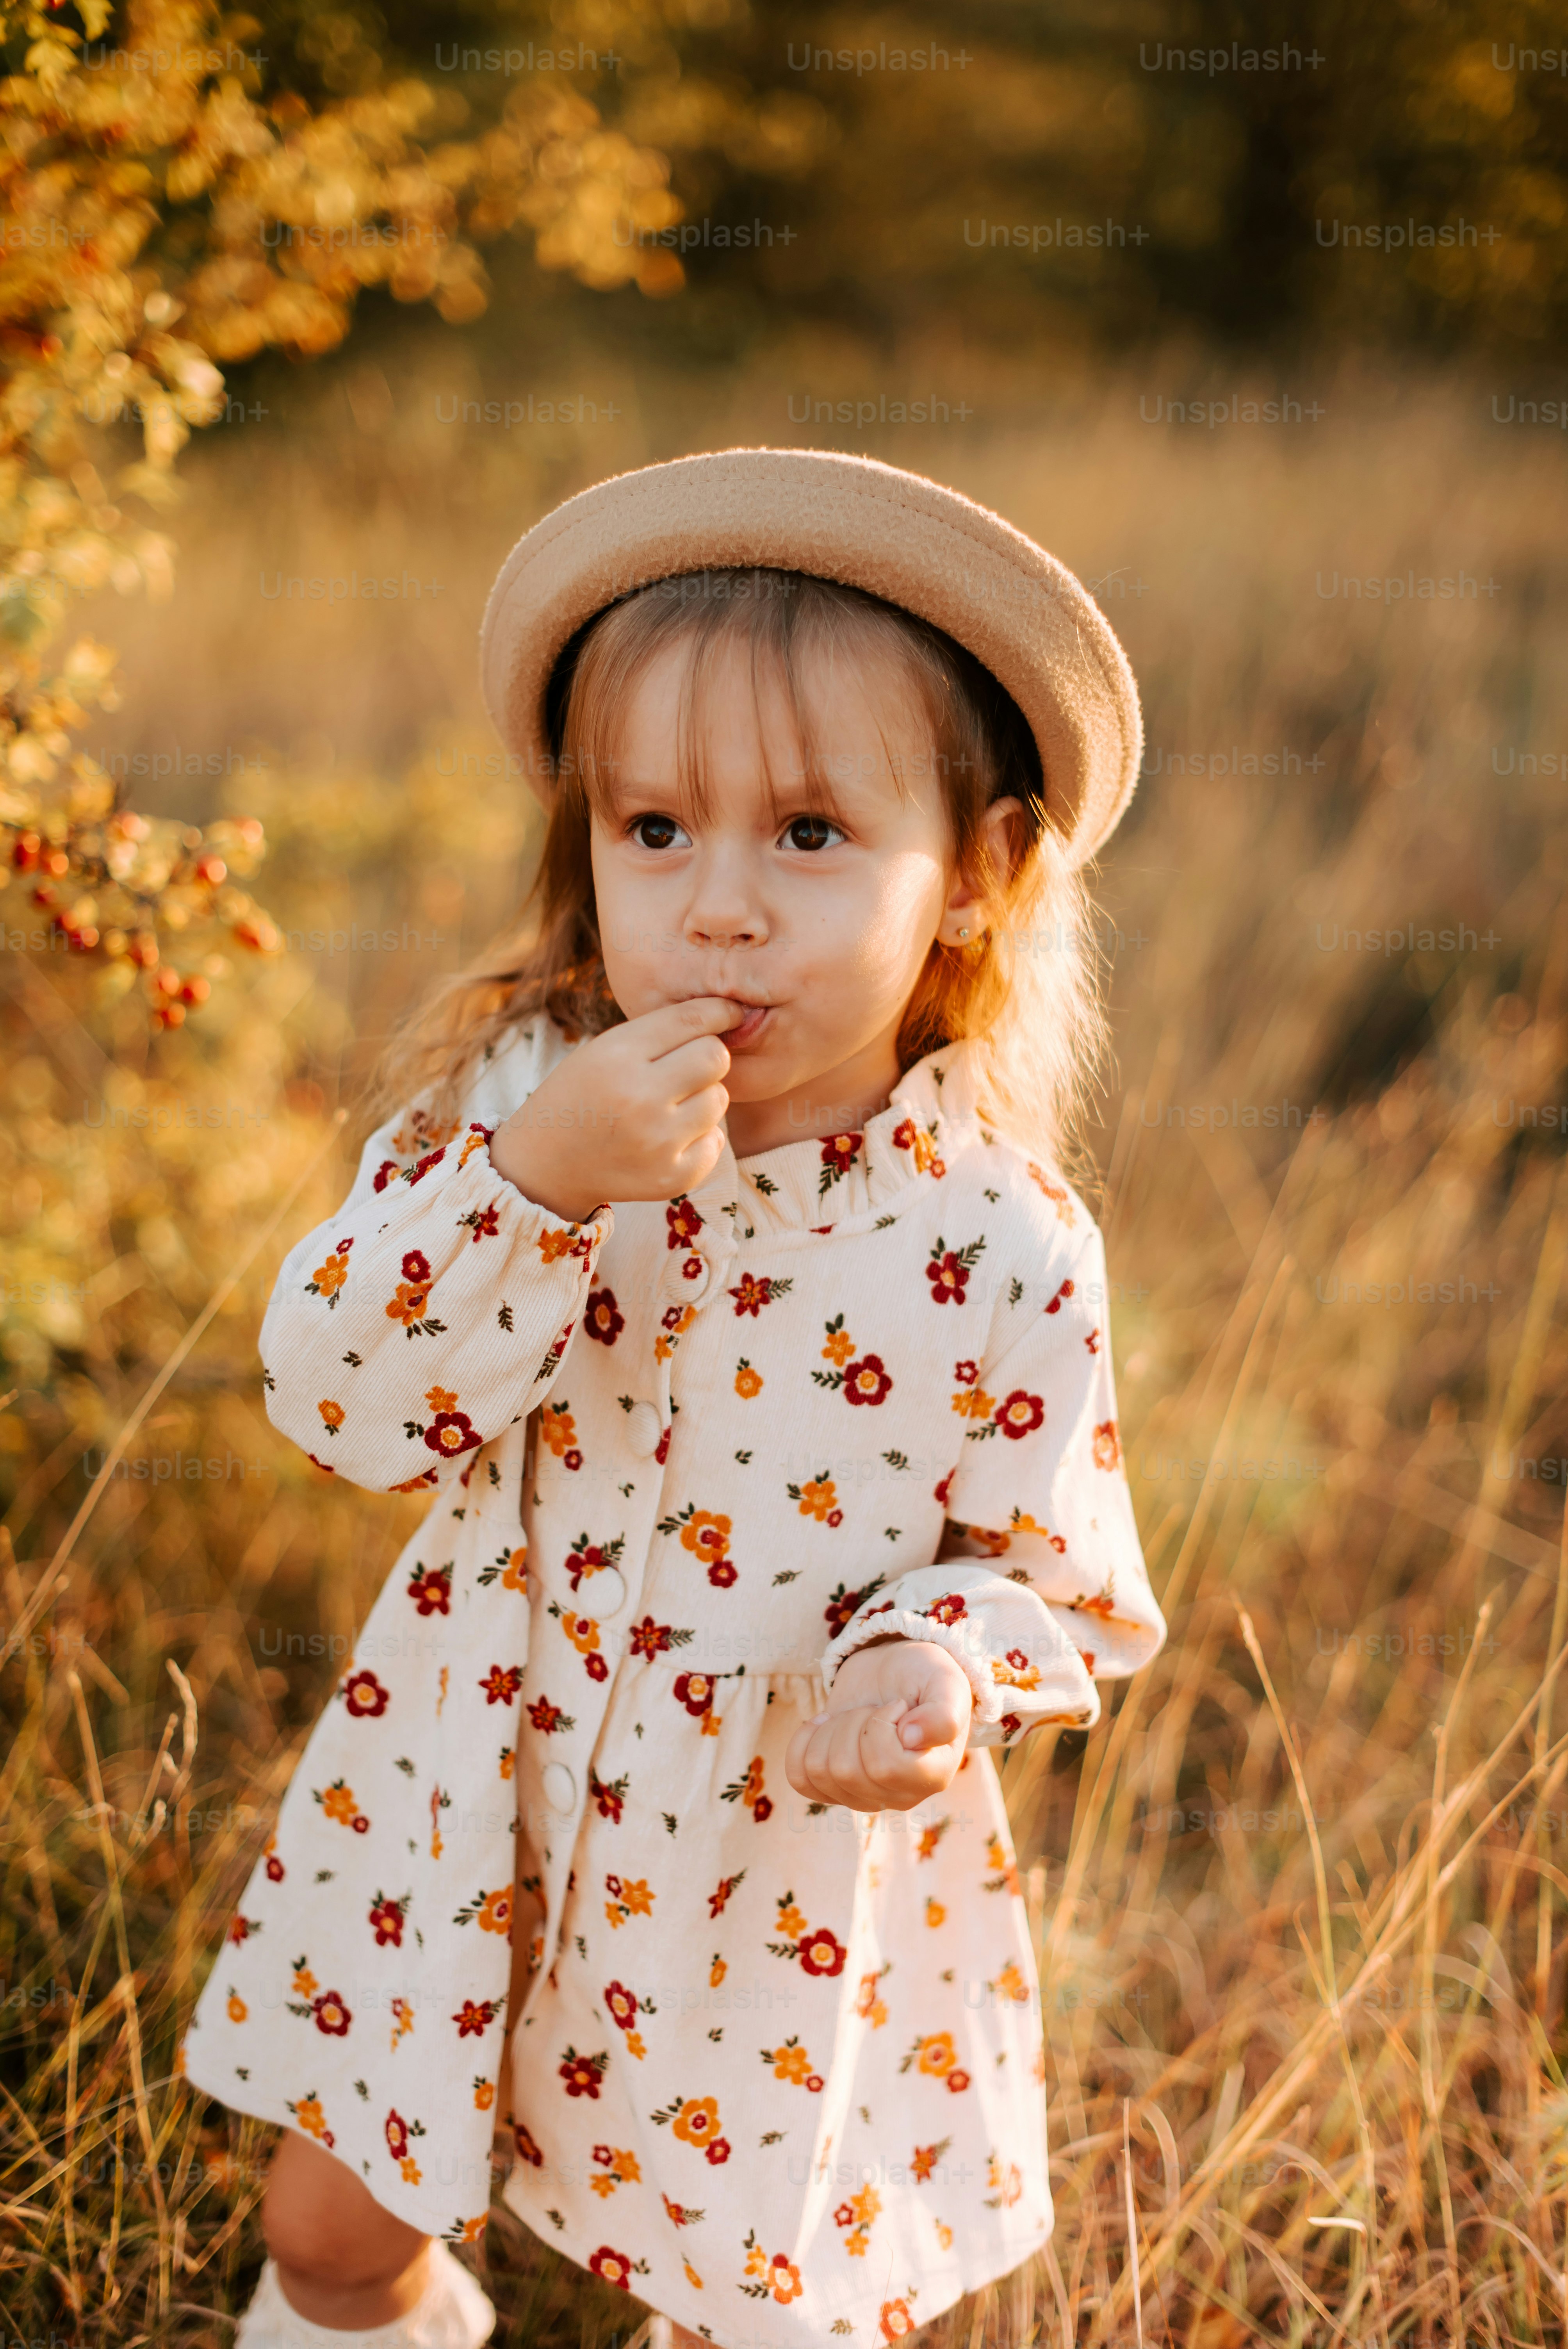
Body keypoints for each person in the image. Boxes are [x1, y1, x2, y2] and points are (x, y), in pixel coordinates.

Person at [189, 449, 1166, 2349]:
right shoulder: (523, 1109)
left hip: (764, 1875)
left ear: (973, 877)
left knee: (748, 2296)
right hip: (471, 1802)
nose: (716, 909)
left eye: (808, 835)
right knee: (328, 2224)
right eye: (654, 829)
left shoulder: (998, 1237)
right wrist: (532, 1188)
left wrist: (934, 1657)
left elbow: (1052, 1570)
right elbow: (338, 1404)